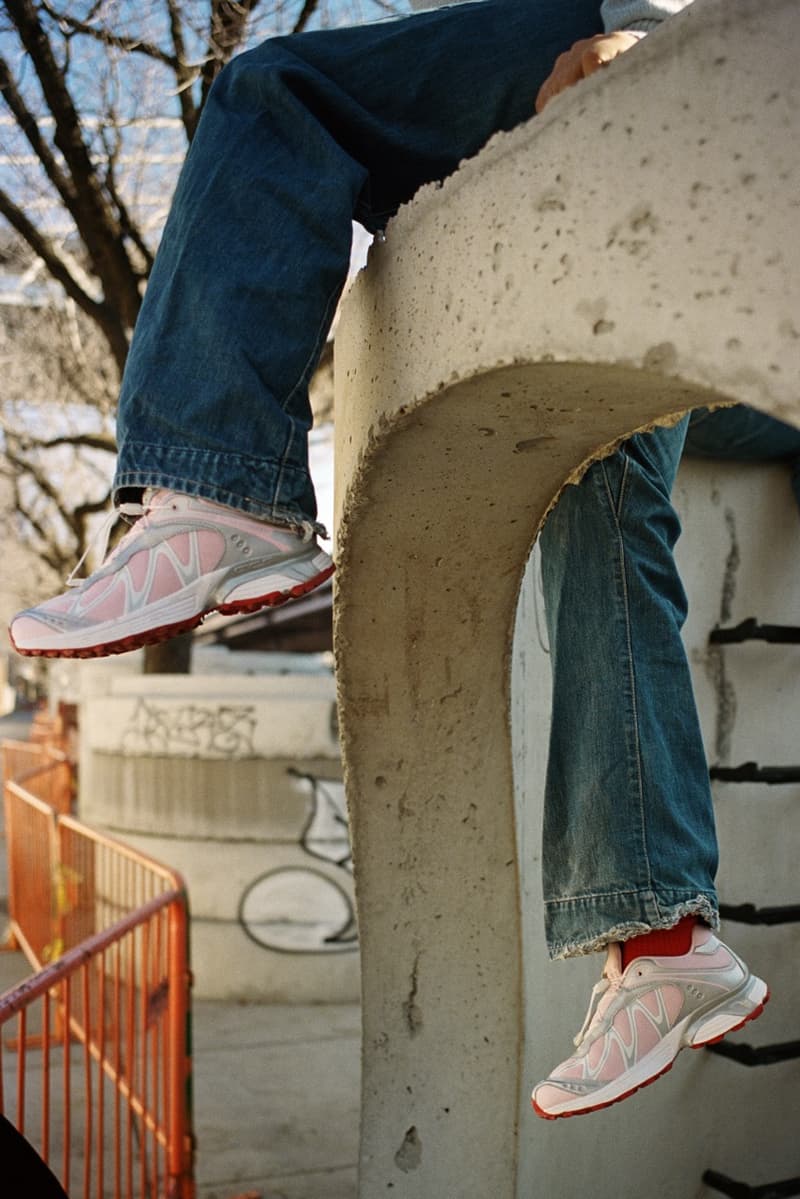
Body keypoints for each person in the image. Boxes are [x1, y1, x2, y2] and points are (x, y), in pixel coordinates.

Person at [8, 0, 791, 1119]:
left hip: (666, 45)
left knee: (275, 95)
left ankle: (223, 491)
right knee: (604, 468)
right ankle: (663, 939)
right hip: (697, 154)